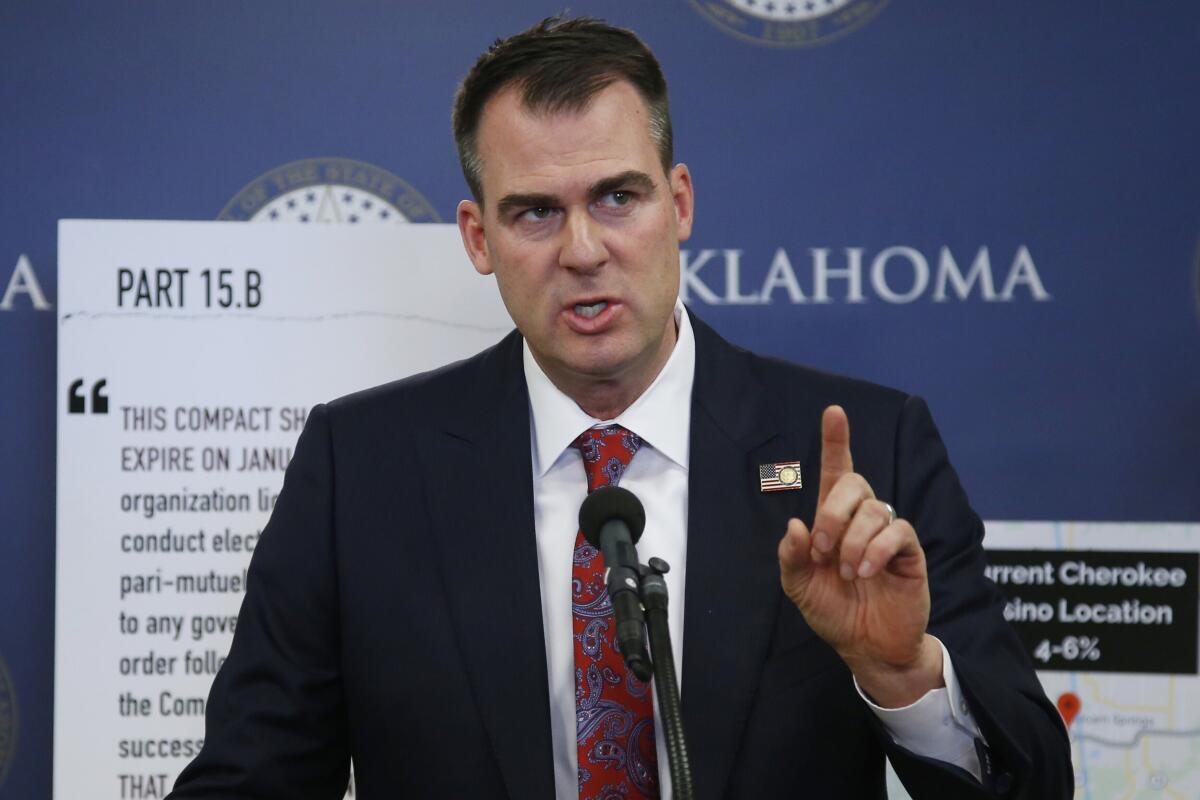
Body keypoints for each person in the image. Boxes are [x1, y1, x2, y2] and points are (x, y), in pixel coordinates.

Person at [169, 16, 1072, 799]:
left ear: (677, 204)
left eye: (617, 196)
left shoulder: (868, 448)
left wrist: (899, 675)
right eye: (533, 213)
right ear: (479, 238)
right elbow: (254, 773)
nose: (584, 248)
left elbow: (1033, 781)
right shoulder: (359, 468)